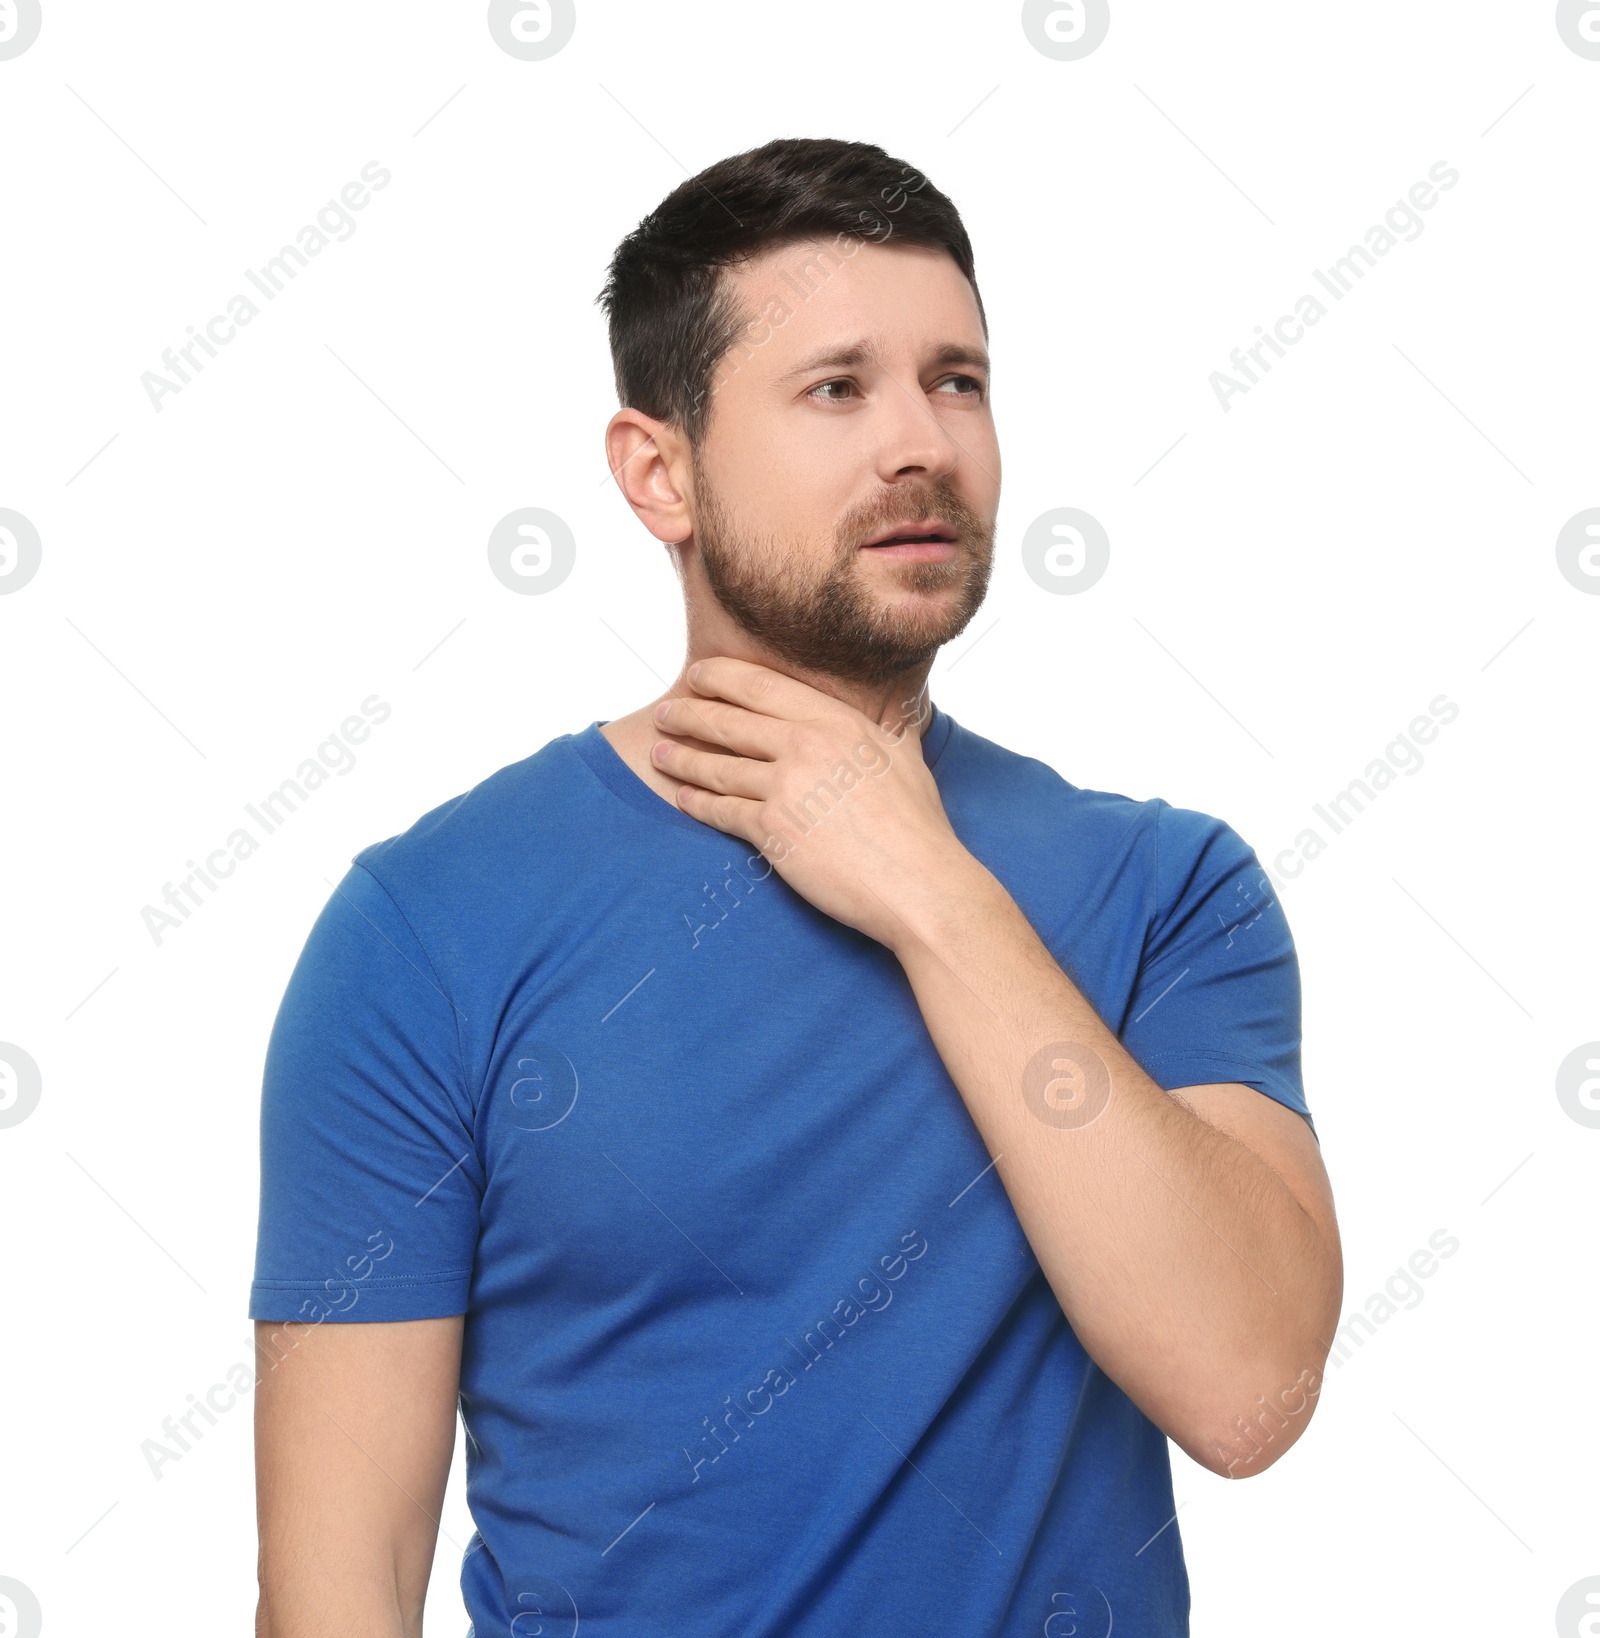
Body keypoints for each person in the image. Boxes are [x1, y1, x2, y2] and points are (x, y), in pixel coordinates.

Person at [249, 135, 1342, 1638]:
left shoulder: (1169, 890)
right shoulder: (425, 928)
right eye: (838, 388)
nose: (923, 444)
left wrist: (932, 892)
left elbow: (1245, 1390)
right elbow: (334, 1589)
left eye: (956, 380)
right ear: (659, 471)